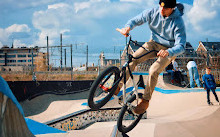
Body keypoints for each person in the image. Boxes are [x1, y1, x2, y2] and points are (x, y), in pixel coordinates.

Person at [116, 0, 186, 114]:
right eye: (161, 6)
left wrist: (169, 52)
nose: (162, 10)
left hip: (169, 49)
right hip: (153, 43)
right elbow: (136, 20)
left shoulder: (178, 22)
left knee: (153, 70)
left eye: (166, 8)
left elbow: (181, 46)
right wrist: (128, 27)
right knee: (133, 59)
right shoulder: (153, 12)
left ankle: (145, 100)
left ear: (172, 8)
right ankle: (117, 86)